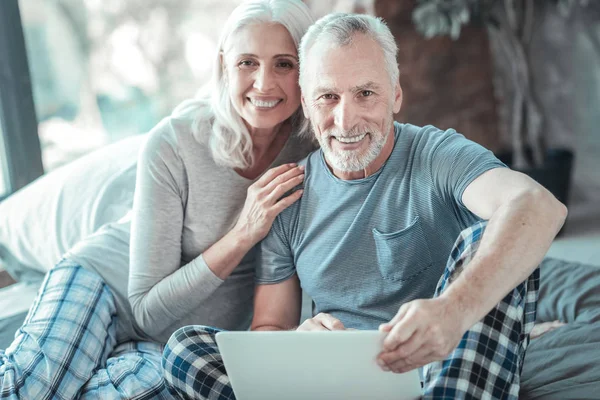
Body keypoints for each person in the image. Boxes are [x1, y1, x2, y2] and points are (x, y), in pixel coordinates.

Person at [162, 12, 568, 400]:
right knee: (185, 348)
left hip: (441, 366)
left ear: (395, 94)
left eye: (365, 93)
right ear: (305, 101)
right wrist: (299, 341)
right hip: (335, 382)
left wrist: (452, 312)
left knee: (492, 233)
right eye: (328, 97)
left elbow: (539, 205)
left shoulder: (437, 154)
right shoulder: (288, 196)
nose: (345, 119)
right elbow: (269, 327)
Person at [0, 1, 315, 399]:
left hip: (175, 345)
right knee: (28, 388)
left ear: (307, 69)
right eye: (247, 62)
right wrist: (242, 234)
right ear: (223, 66)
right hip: (107, 287)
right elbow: (146, 308)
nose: (265, 83)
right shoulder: (176, 141)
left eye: (284, 64)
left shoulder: (315, 150)